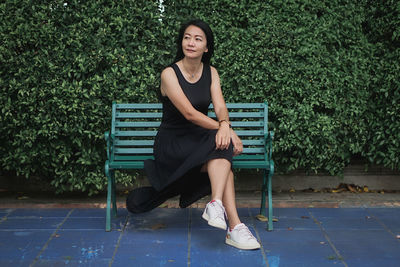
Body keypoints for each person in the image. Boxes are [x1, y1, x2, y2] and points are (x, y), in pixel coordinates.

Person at [126, 19, 260, 250]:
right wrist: (225, 129)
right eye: (187, 37)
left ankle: (220, 209)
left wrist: (225, 123)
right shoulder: (169, 73)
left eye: (198, 39)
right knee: (224, 145)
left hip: (198, 139)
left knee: (223, 148)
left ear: (206, 47)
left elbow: (220, 107)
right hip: (172, 144)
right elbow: (189, 113)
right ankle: (234, 226)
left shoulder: (211, 72)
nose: (191, 43)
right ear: (181, 42)